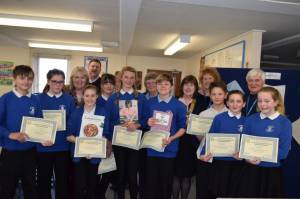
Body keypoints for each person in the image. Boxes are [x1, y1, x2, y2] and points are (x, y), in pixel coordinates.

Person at [237, 86, 292, 198]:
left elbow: (283, 152)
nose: (263, 104)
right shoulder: (250, 120)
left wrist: (262, 157)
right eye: (260, 101)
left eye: (267, 101)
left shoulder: (284, 123)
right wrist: (247, 157)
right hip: (251, 171)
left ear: (276, 102)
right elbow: (243, 145)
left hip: (272, 172)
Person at [104, 66, 147, 199]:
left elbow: (146, 119)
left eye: (132, 77)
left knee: (133, 175)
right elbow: (108, 120)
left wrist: (138, 124)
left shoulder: (140, 97)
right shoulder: (113, 98)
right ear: (121, 78)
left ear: (135, 80)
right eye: (126, 77)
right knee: (120, 174)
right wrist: (118, 126)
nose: (129, 80)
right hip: (119, 141)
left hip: (134, 141)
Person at [0, 65, 42, 199]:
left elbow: (40, 123)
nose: (26, 82)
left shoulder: (36, 99)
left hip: (30, 151)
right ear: (15, 79)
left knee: (30, 187)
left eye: (29, 78)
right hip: (10, 151)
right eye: (22, 78)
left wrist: (44, 136)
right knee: (7, 187)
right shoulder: (6, 99)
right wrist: (10, 135)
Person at [145, 74, 187, 199]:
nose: (163, 86)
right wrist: (147, 123)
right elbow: (143, 122)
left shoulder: (179, 105)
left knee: (166, 184)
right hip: (152, 148)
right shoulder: (149, 103)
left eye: (166, 84)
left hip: (169, 149)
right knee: (152, 184)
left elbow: (182, 128)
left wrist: (172, 139)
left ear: (171, 87)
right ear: (156, 86)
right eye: (160, 84)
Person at [37, 69, 75, 199]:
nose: (58, 85)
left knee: (62, 181)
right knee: (43, 181)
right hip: (43, 147)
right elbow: (35, 123)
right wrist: (39, 138)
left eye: (61, 82)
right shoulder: (38, 99)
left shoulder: (69, 100)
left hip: (62, 146)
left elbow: (72, 122)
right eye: (54, 82)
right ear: (48, 82)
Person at [67, 85, 110, 199]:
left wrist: (94, 146)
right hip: (79, 154)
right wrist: (83, 144)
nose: (89, 98)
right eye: (87, 96)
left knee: (92, 185)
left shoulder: (103, 112)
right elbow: (68, 136)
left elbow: (106, 133)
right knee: (79, 186)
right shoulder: (76, 113)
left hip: (95, 155)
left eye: (92, 96)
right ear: (83, 97)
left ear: (97, 97)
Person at [205, 90, 246, 198]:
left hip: (237, 164)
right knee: (217, 192)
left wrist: (242, 154)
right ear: (227, 103)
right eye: (231, 101)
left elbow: (247, 143)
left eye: (238, 101)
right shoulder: (219, 118)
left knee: (233, 193)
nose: (235, 104)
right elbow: (210, 137)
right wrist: (205, 153)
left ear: (244, 104)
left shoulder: (247, 121)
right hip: (219, 163)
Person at [173, 75, 207, 199]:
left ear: (196, 87)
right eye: (186, 84)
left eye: (191, 85)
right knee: (175, 175)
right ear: (181, 87)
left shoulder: (202, 102)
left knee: (187, 176)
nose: (188, 87)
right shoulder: (174, 100)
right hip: (176, 141)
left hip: (192, 143)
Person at [196, 81, 228, 199]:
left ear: (225, 95)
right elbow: (199, 138)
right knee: (203, 189)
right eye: (213, 94)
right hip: (206, 157)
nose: (217, 97)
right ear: (210, 95)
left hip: (224, 159)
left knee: (220, 190)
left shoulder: (231, 113)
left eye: (220, 94)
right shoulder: (203, 114)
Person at [95, 73, 117, 199]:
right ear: (101, 85)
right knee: (97, 170)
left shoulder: (117, 100)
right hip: (99, 139)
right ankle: (96, 194)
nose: (109, 86)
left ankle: (101, 194)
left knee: (109, 170)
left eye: (111, 83)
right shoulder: (96, 100)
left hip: (114, 139)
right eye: (106, 83)